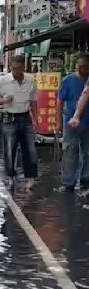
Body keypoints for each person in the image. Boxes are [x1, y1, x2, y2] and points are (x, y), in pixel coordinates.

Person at [0, 54, 38, 190]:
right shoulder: (3, 81)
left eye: (19, 68)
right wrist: (3, 100)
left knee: (29, 150)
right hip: (9, 118)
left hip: (25, 117)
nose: (16, 71)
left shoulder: (30, 80)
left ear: (23, 67)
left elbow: (34, 101)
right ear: (11, 67)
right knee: (9, 150)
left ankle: (30, 178)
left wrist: (35, 119)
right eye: (14, 68)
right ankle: (11, 177)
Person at [59, 53, 89, 193]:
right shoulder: (67, 80)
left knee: (87, 152)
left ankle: (85, 181)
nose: (82, 69)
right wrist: (59, 122)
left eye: (85, 67)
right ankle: (68, 182)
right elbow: (60, 102)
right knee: (70, 151)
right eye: (80, 66)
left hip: (87, 122)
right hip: (70, 121)